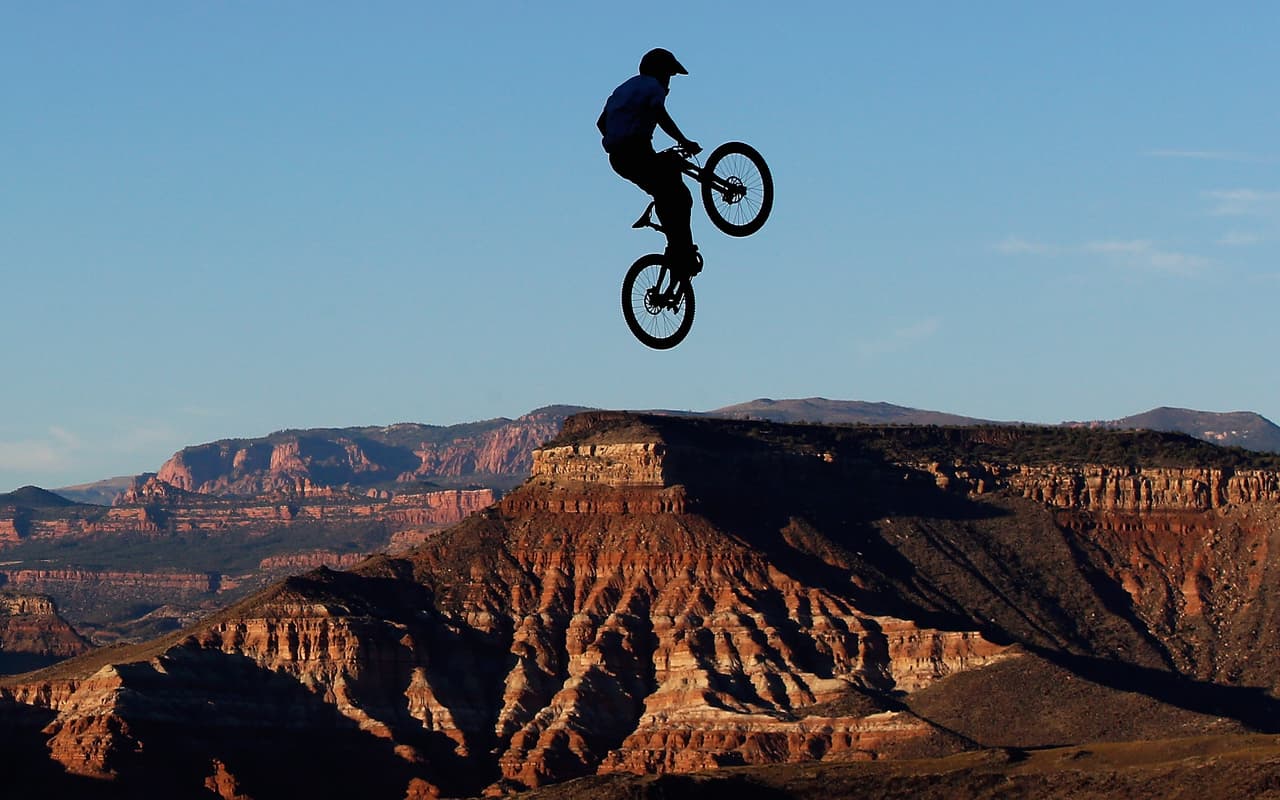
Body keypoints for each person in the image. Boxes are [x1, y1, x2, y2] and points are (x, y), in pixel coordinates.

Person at [597, 48, 702, 273]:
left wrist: (618, 136)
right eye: (669, 75)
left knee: (666, 187)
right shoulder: (653, 87)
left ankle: (677, 248)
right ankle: (680, 250)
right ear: (660, 71)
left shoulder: (623, 89)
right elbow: (660, 115)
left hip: (619, 158)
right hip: (636, 152)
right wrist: (684, 141)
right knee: (681, 196)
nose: (669, 83)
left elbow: (601, 123)